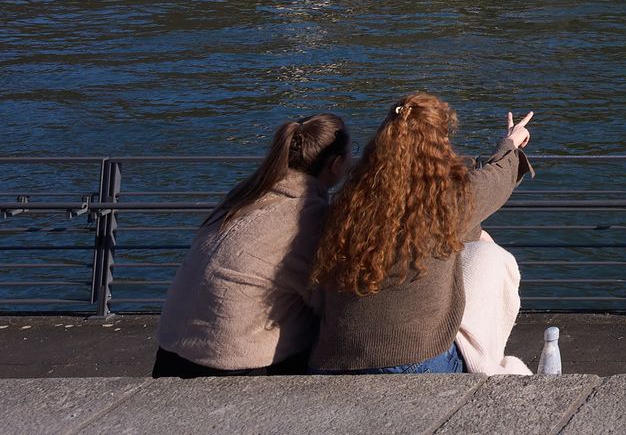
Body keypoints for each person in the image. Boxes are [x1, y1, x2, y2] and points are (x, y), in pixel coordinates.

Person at [308, 94, 534, 374]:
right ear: (440, 145)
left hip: (335, 360)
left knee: (474, 237)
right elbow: (495, 180)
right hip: (413, 363)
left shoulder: (350, 201)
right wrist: (510, 143)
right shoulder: (448, 203)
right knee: (490, 257)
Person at [153, 114, 351, 378]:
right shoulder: (308, 216)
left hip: (172, 350)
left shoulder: (246, 193)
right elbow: (323, 300)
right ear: (336, 165)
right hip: (231, 361)